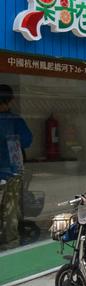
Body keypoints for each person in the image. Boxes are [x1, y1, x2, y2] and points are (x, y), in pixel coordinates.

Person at [0, 85, 32, 249]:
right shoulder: (14, 120)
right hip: (12, 171)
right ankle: (10, 247)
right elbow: (27, 140)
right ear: (10, 100)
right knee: (10, 212)